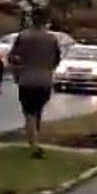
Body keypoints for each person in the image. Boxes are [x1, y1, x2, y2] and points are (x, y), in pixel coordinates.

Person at [8, 9, 61, 158]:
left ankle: (33, 145)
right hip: (45, 81)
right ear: (45, 21)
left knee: (29, 112)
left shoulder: (23, 37)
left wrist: (17, 73)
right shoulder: (51, 39)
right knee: (37, 110)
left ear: (32, 19)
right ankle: (34, 139)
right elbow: (56, 59)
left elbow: (13, 57)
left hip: (27, 80)